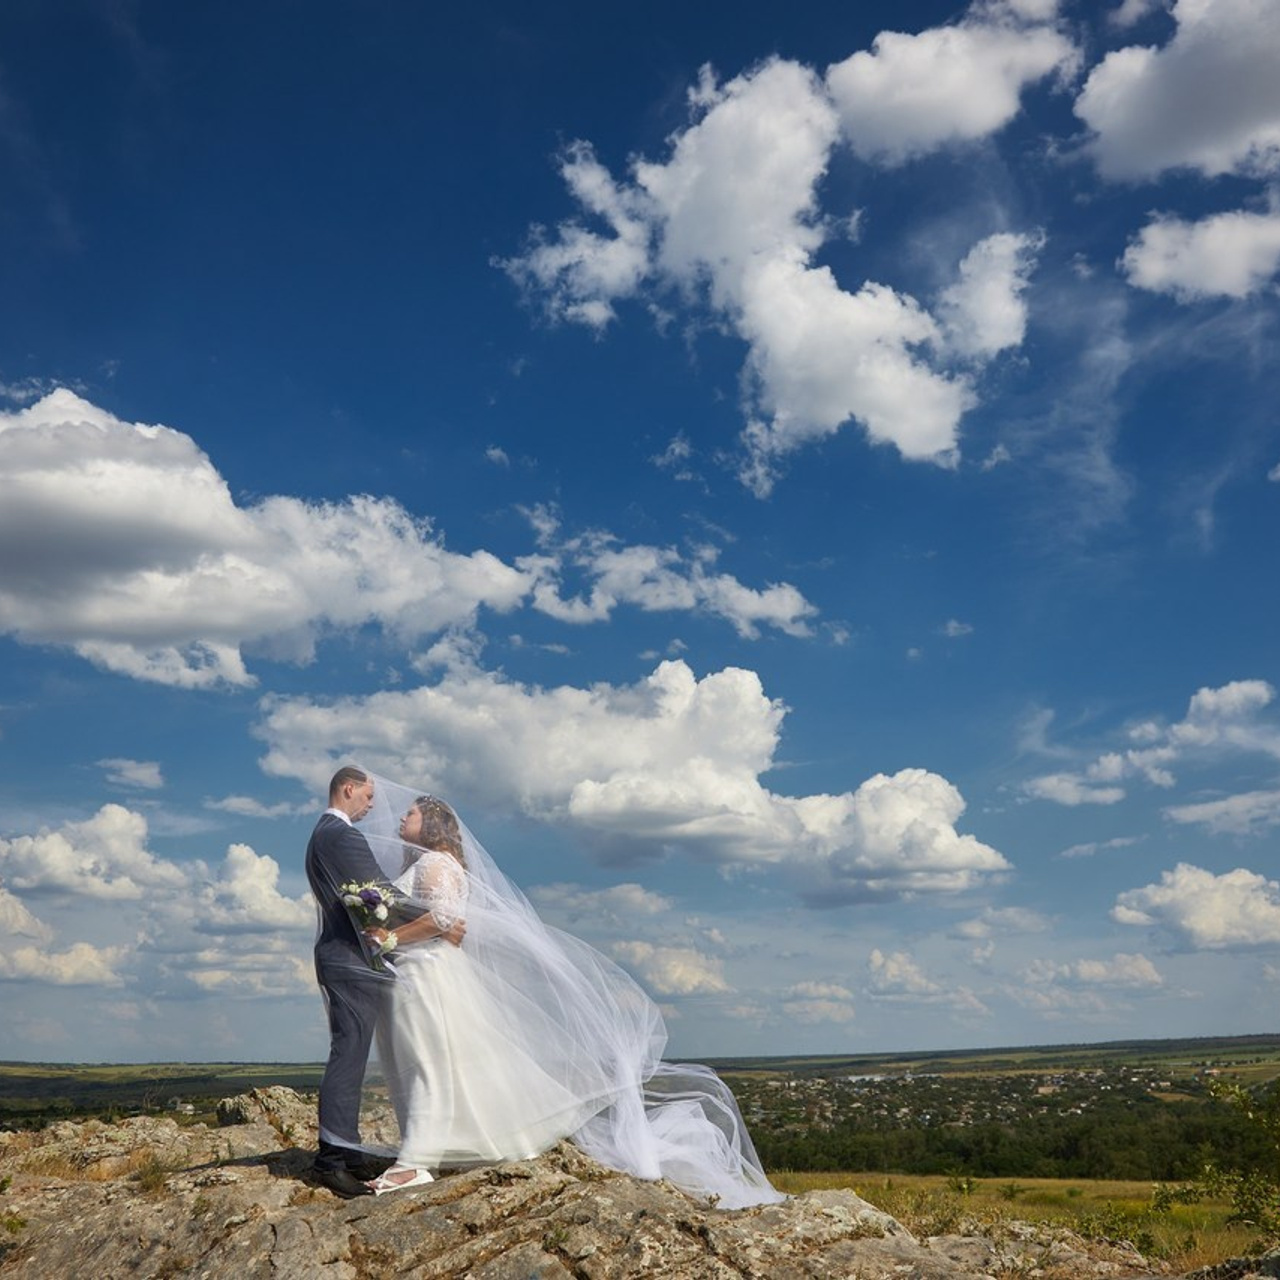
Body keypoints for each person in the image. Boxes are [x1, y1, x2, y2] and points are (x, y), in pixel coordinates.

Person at [356, 773, 783, 1209]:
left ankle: (416, 1159)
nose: (399, 818)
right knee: (437, 1062)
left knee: (427, 1061)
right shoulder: (436, 865)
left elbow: (445, 921)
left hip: (429, 973)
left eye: (409, 813)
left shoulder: (433, 864)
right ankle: (434, 1146)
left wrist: (387, 938)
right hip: (426, 968)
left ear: (430, 824)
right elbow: (449, 926)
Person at [304, 766, 464, 1199]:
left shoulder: (330, 834)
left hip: (366, 958)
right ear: (349, 789)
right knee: (350, 1055)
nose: (375, 805)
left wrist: (436, 923)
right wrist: (440, 924)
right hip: (351, 958)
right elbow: (381, 895)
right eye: (368, 796)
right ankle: (333, 1159)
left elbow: (379, 899)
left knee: (366, 1053)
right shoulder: (341, 835)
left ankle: (346, 1151)